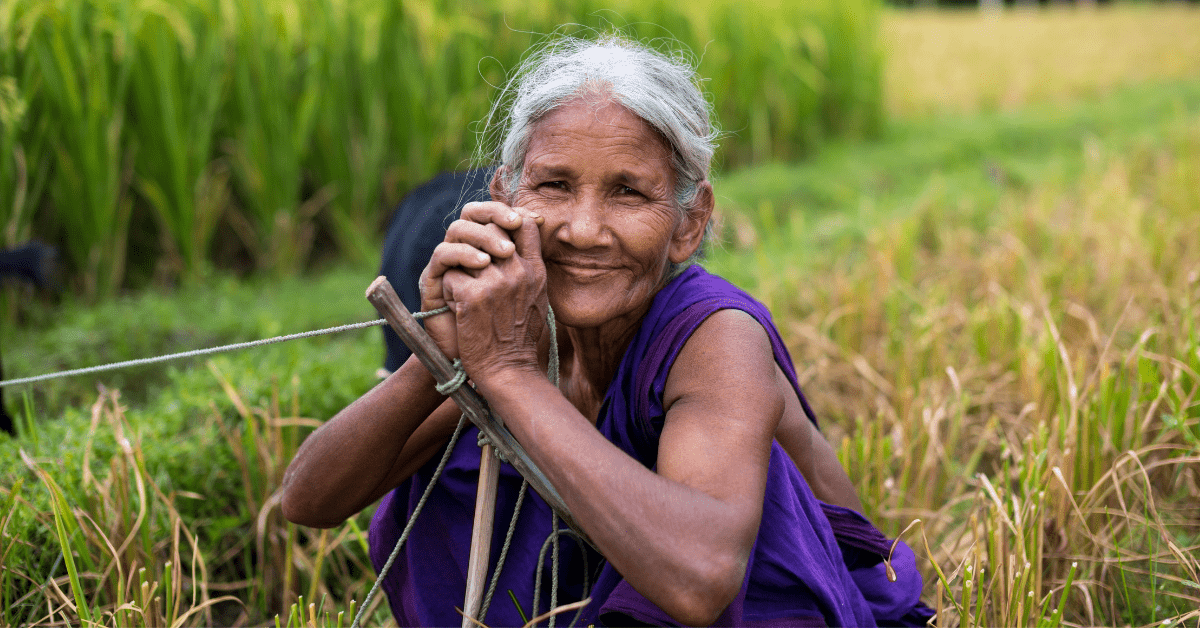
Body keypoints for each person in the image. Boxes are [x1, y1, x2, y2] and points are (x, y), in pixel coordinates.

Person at [282, 35, 933, 627]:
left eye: (628, 193)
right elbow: (308, 499)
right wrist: (441, 359)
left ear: (689, 222)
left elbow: (702, 578)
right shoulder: (514, 320)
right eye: (554, 185)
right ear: (506, 198)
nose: (584, 229)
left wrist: (508, 377)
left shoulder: (713, 336)